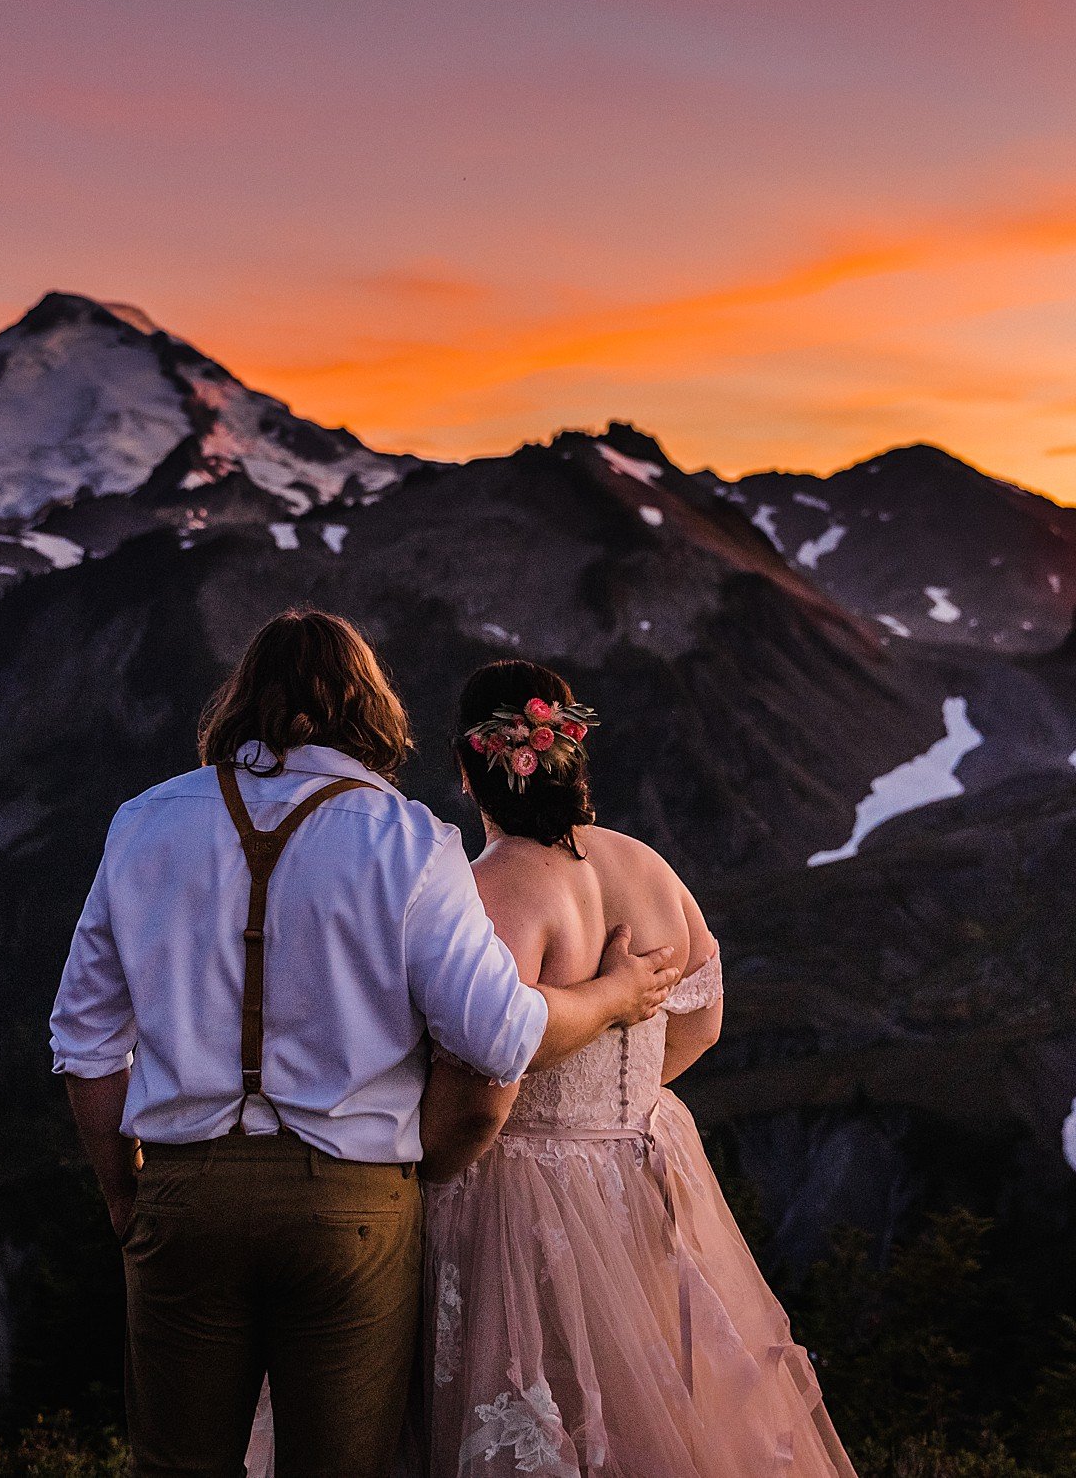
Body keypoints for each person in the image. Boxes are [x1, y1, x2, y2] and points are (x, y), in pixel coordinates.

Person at [49, 612, 682, 1478]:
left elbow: (84, 1042)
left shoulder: (143, 823)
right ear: (368, 708)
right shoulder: (412, 840)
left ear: (239, 701)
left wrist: (124, 1194)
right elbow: (499, 1034)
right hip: (353, 1208)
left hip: (186, 1194)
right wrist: (612, 996)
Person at [415, 659, 858, 1477]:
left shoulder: (491, 890)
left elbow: (487, 1070)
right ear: (570, 754)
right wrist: (620, 1100)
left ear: (470, 767)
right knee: (654, 1411)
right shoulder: (646, 866)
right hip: (644, 1168)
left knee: (541, 1409)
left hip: (516, 1191)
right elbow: (704, 1019)